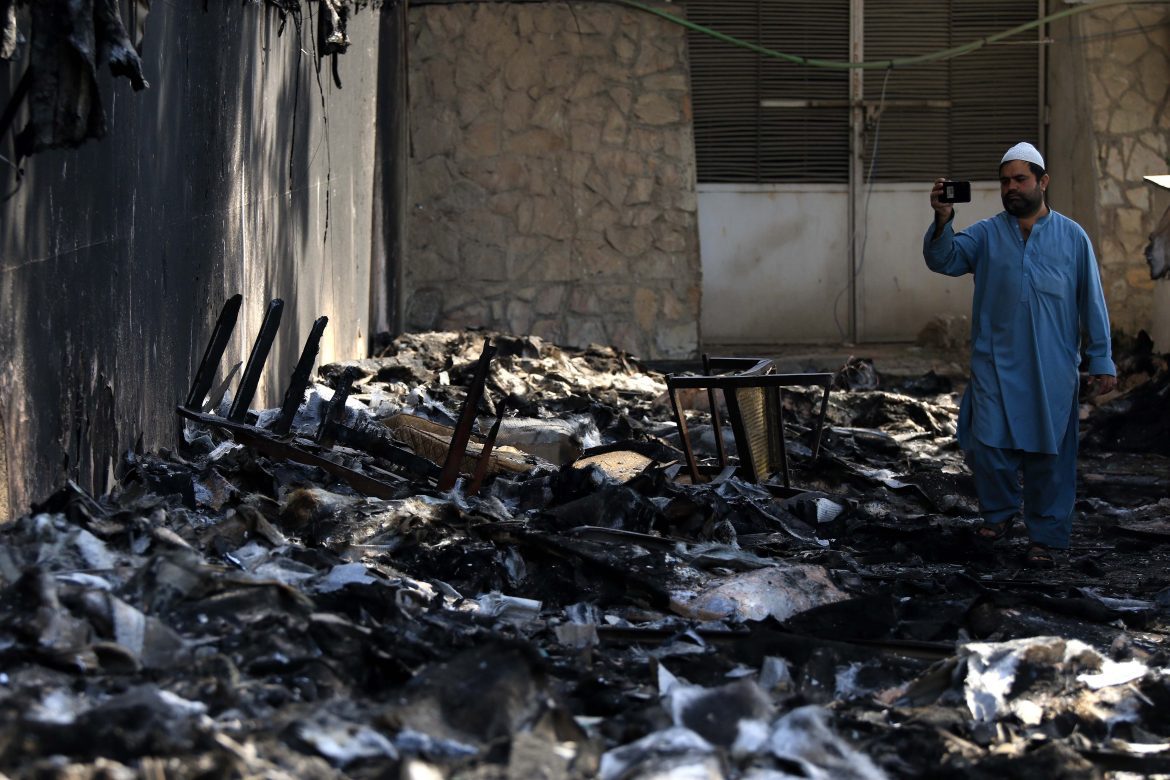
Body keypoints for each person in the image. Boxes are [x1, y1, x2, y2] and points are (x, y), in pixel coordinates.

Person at [923, 141, 1116, 568]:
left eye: (1020, 179)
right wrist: (942, 220)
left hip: (1052, 369)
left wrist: (1101, 359)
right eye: (1005, 180)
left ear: (1042, 182)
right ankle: (1001, 513)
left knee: (1050, 457)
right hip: (995, 364)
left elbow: (1092, 301)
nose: (1011, 187)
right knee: (982, 443)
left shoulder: (1072, 237)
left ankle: (1045, 538)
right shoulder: (987, 234)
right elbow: (945, 259)